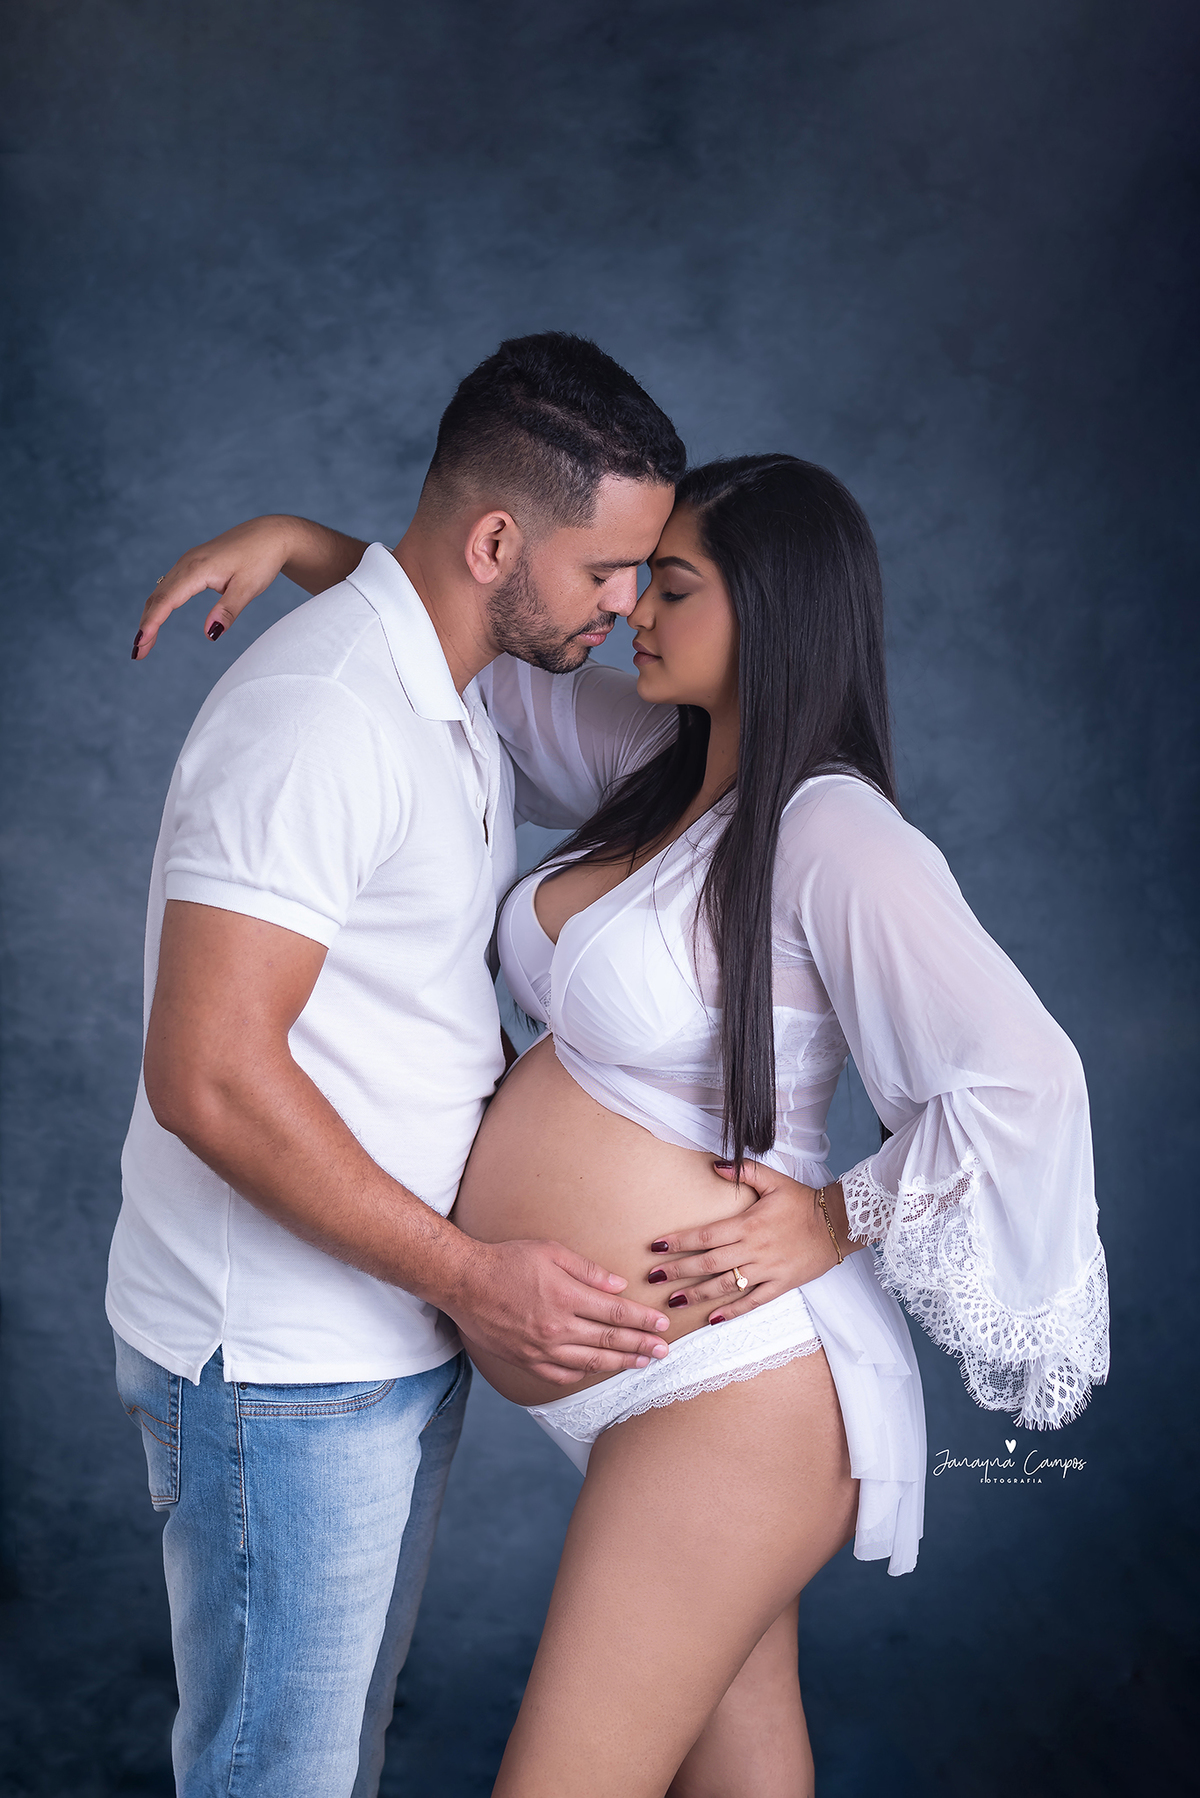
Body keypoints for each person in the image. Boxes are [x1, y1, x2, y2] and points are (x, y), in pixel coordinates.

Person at [138, 453, 1109, 1797]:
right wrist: (311, 544)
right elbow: (477, 650)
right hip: (654, 1384)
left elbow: (1028, 1078)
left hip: (732, 1395)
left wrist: (841, 1215)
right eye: (639, 578)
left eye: (676, 586)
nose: (634, 610)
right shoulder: (663, 758)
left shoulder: (833, 830)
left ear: (769, 612)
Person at [110, 331, 695, 1798]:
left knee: (331, 1761)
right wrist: (471, 1274)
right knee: (279, 1778)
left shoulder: (450, 691)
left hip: (381, 1338)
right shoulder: (321, 716)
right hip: (286, 1370)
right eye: (608, 570)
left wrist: (312, 539)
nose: (628, 605)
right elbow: (208, 1074)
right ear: (496, 544)